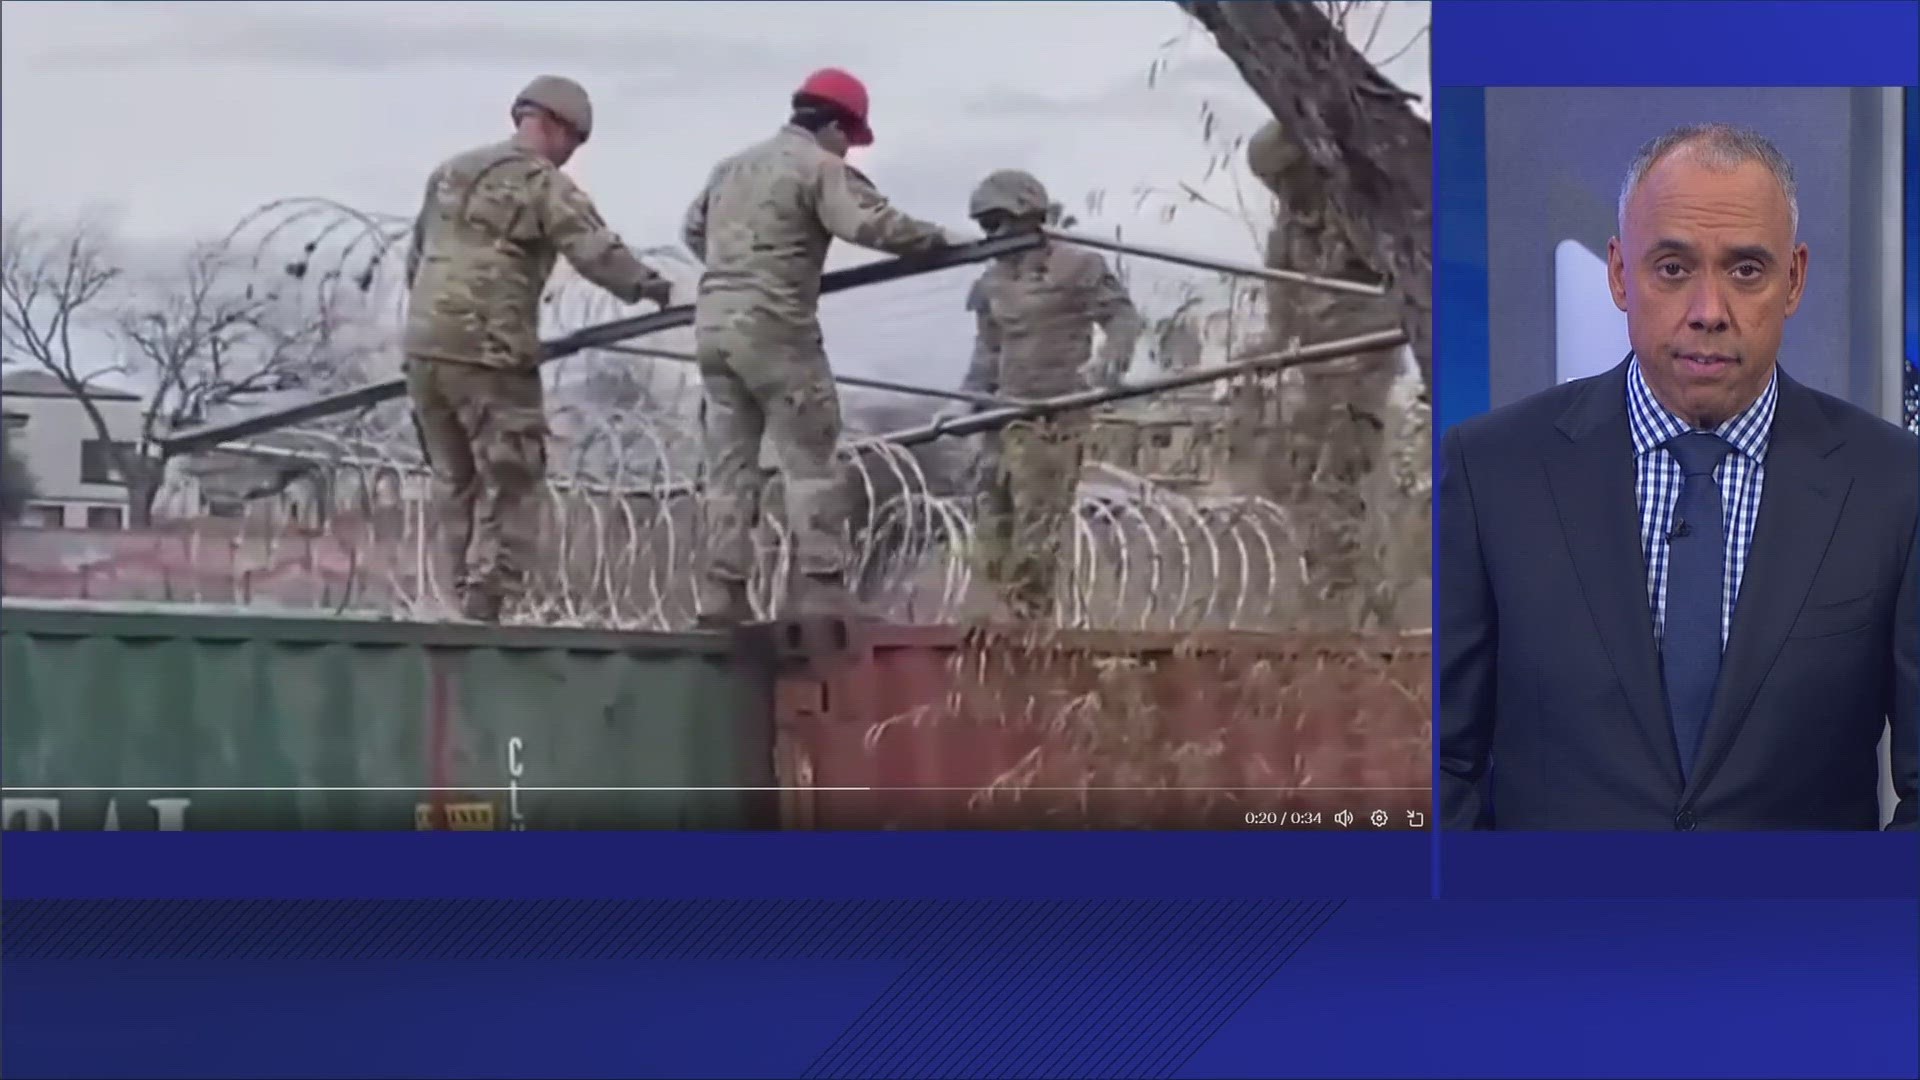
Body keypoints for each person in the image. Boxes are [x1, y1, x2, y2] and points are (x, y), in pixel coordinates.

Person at [1438, 123, 1917, 831]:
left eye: (1746, 270)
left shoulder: (1894, 485)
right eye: (1672, 268)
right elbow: (1441, 762)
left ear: (1795, 278)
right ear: (1619, 274)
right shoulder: (1491, 470)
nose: (1708, 312)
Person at [681, 67, 969, 625]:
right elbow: (869, 223)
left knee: (730, 466)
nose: (850, 151)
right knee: (810, 456)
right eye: (851, 140)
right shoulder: (818, 167)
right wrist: (939, 239)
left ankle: (722, 593)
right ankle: (822, 588)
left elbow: (692, 231)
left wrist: (738, 269)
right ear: (836, 126)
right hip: (776, 330)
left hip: (714, 330)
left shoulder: (731, 167)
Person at [403, 76, 676, 623]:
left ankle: (447, 597)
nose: (571, 156)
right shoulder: (542, 184)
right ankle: (489, 602)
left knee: (455, 478)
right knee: (513, 474)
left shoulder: (453, 172)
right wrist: (654, 287)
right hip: (490, 349)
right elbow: (595, 250)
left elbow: (417, 255)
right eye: (573, 142)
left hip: (426, 346)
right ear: (553, 125)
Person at [940, 169, 1143, 620]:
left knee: (1037, 523)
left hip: (1052, 416)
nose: (991, 234)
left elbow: (1122, 318)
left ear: (1026, 215)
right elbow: (986, 353)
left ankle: (1029, 620)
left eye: (999, 222)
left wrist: (1109, 364)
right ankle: (994, 614)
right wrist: (963, 407)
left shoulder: (1078, 266)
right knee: (990, 521)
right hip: (1001, 414)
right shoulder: (991, 282)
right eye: (984, 225)